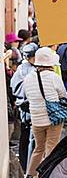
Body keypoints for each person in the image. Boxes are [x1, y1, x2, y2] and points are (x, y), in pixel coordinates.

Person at [23, 47, 67, 178]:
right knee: (51, 147)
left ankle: (30, 174)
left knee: (39, 148)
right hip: (53, 118)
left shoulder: (28, 77)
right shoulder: (54, 77)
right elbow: (63, 94)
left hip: (36, 119)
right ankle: (47, 176)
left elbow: (27, 95)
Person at [10, 42, 38, 171]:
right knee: (32, 138)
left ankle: (23, 164)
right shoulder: (33, 71)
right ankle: (30, 167)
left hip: (22, 107)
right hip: (32, 106)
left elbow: (13, 88)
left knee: (24, 136)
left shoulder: (20, 70)